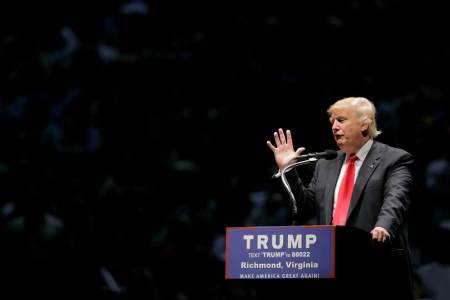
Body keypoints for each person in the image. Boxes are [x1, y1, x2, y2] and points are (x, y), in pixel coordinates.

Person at [267, 97, 414, 299]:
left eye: (341, 120)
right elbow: (305, 209)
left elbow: (396, 198)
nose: (334, 127)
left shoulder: (394, 159)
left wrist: (383, 226)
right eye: (332, 122)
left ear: (365, 123)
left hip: (375, 264)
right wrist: (289, 169)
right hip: (331, 267)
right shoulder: (327, 163)